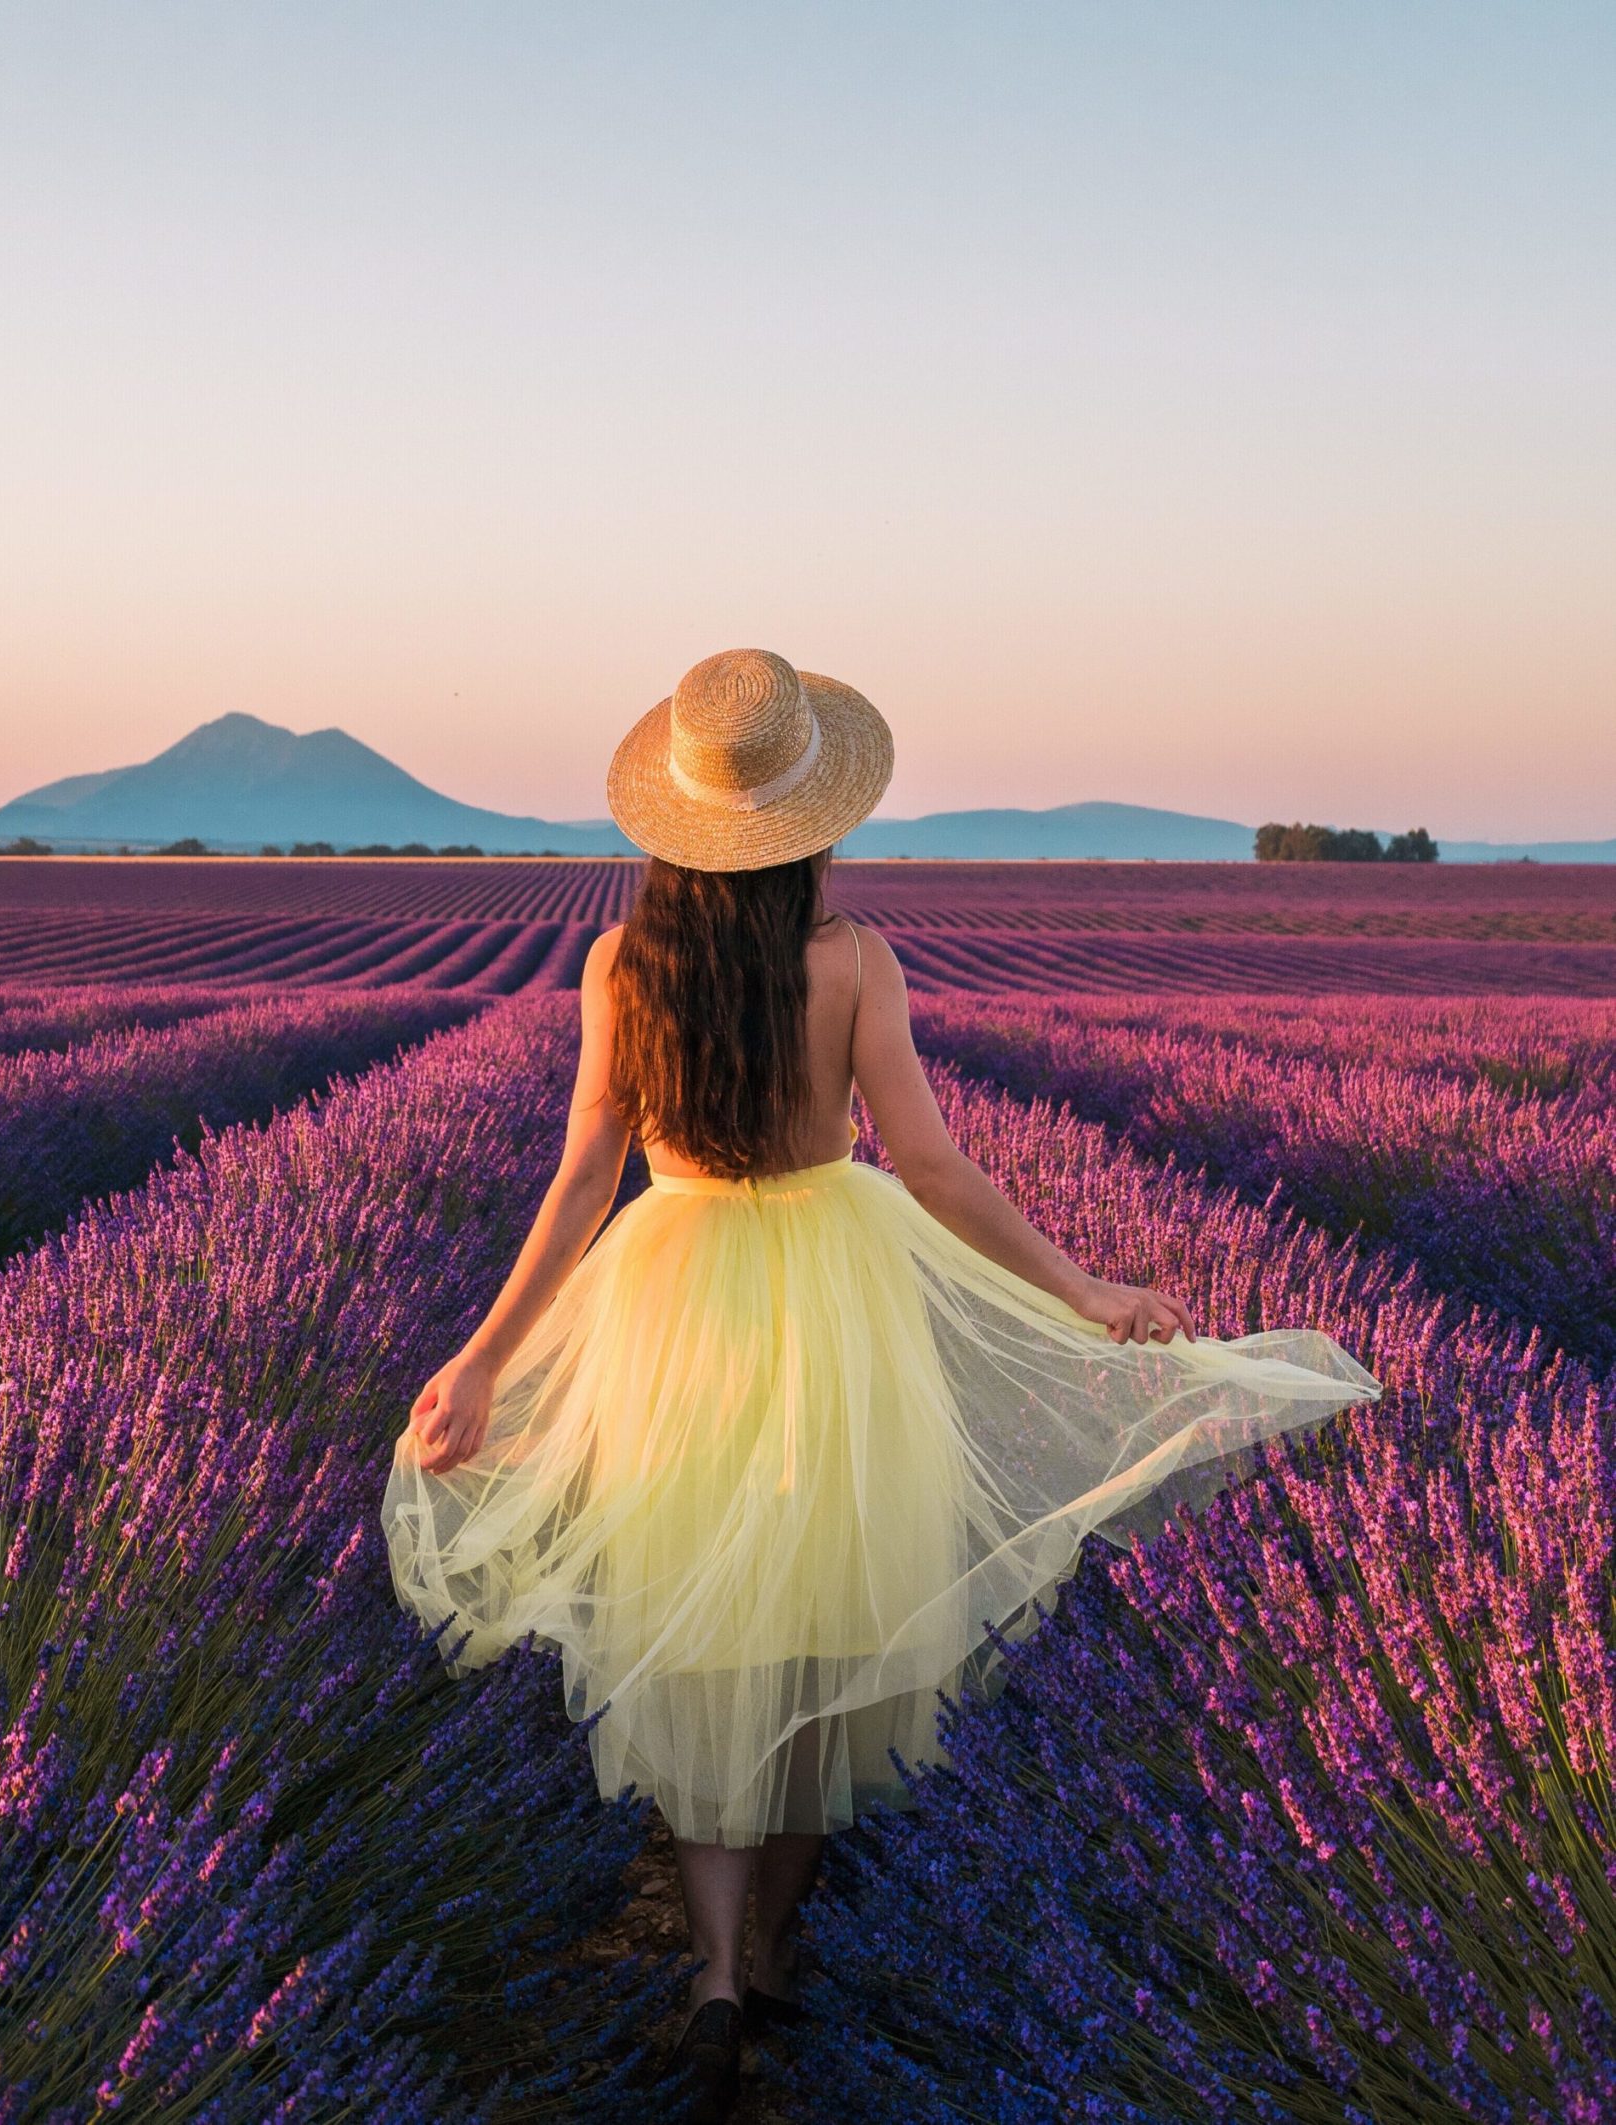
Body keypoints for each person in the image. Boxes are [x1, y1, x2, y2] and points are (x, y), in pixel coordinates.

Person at [380, 648, 1383, 2122]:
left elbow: (583, 1173)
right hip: (832, 1314)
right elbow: (931, 1168)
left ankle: (713, 1972)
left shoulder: (620, 967)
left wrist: (480, 1360)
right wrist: (1085, 1287)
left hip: (672, 1316)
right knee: (824, 1647)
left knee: (700, 1640)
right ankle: (778, 1950)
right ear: (811, 821)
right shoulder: (851, 961)